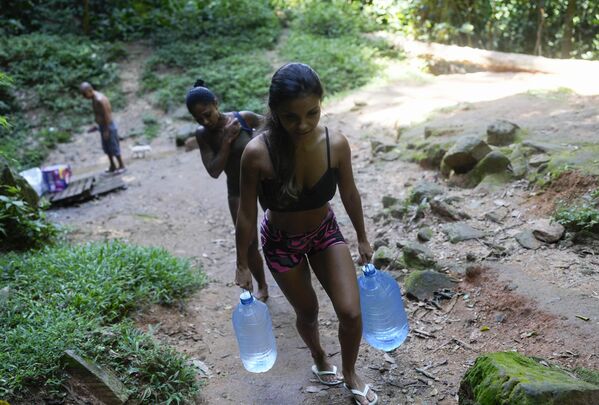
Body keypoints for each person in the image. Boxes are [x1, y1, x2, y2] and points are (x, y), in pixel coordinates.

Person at [235, 63, 378, 405]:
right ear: (274, 113)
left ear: (321, 104)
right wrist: (242, 263)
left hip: (324, 233)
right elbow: (246, 213)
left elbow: (350, 194)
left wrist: (361, 236)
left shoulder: (335, 144)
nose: (303, 125)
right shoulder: (256, 154)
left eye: (312, 113)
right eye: (291, 117)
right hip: (281, 244)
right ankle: (318, 357)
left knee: (351, 311)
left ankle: (350, 372)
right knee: (308, 312)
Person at [186, 80, 269, 301]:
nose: (206, 121)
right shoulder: (203, 135)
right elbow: (213, 170)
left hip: (265, 183)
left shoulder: (244, 118)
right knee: (249, 241)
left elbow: (272, 130)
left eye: (208, 114)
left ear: (216, 103)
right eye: (199, 119)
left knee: (282, 226)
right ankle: (262, 286)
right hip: (237, 190)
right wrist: (226, 141)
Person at [79, 82, 126, 174]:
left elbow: (107, 115)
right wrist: (97, 126)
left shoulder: (99, 99)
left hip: (108, 126)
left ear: (89, 90)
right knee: (107, 148)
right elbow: (99, 114)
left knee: (113, 146)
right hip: (103, 126)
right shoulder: (94, 98)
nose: (84, 97)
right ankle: (112, 165)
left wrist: (107, 130)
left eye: (84, 94)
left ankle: (121, 165)